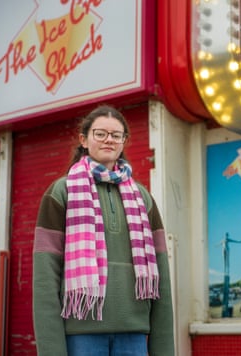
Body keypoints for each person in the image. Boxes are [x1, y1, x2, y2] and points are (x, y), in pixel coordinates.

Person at [33, 105, 175, 356]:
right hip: (80, 336)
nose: (109, 139)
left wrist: (163, 348)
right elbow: (45, 279)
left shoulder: (142, 197)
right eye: (100, 133)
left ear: (124, 142)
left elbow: (161, 275)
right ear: (84, 140)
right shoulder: (61, 192)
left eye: (116, 135)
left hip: (135, 334)